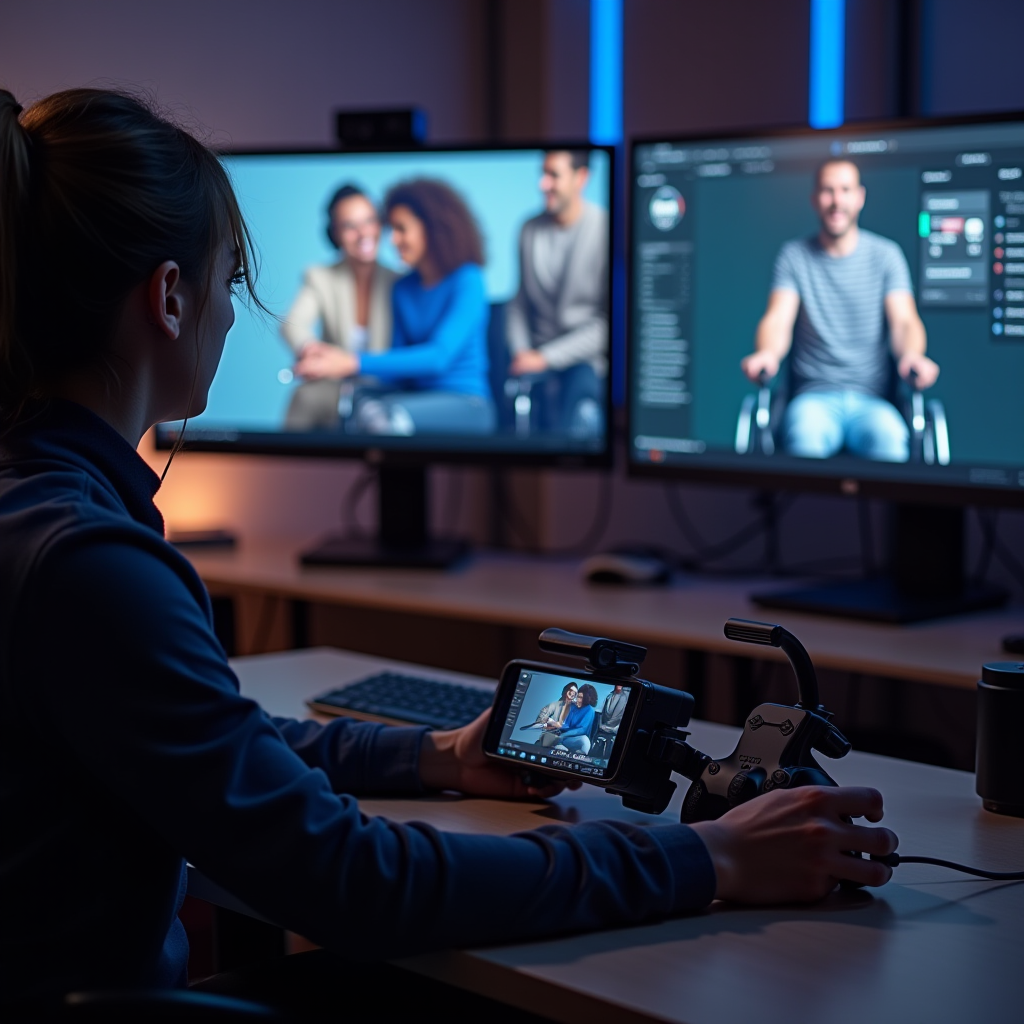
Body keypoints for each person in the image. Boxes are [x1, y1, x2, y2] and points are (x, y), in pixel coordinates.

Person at [0, 88, 899, 1018]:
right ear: (169, 297)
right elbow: (352, 879)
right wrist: (709, 856)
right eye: (229, 283)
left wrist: (434, 756)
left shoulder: (39, 521)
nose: (231, 317)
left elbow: (209, 747)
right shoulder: (89, 567)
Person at [741, 158, 939, 462]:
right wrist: (767, 353)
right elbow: (778, 318)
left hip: (872, 400)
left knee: (891, 442)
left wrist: (912, 355)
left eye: (845, 190)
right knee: (804, 439)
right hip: (812, 399)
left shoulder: (886, 256)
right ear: (814, 200)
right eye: (828, 191)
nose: (837, 201)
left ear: (859, 197)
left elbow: (904, 321)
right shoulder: (794, 257)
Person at [295, 178, 495, 436]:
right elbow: (398, 369)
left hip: (466, 404)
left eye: (401, 229)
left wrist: (351, 362)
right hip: (415, 398)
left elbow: (439, 357)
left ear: (432, 229)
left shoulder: (468, 280)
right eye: (391, 230)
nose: (393, 240)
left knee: (380, 419)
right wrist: (331, 368)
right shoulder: (403, 288)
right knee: (353, 405)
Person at [505, 149, 609, 438]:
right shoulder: (529, 230)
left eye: (554, 175)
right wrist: (522, 352)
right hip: (533, 355)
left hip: (583, 359)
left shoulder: (604, 229)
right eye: (543, 174)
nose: (543, 184)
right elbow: (519, 303)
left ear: (581, 178)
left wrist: (547, 358)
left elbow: (607, 325)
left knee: (578, 411)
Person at [280, 184, 399, 430]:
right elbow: (293, 324)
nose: (363, 233)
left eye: (369, 221)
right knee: (304, 398)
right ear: (334, 233)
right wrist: (313, 350)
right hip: (335, 388)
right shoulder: (320, 277)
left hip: (386, 387)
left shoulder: (399, 282)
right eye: (349, 226)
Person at [539, 683, 599, 754]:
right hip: (563, 737)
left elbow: (582, 730)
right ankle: (559, 745)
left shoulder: (590, 710)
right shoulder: (572, 706)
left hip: (573, 738)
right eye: (578, 697)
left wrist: (564, 735)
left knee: (585, 742)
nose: (578, 700)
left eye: (581, 698)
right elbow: (564, 723)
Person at [594, 683, 627, 758]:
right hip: (602, 728)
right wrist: (601, 725)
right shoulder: (609, 696)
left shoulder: (624, 698)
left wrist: (614, 729)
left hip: (614, 730)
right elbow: (601, 712)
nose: (619, 686)